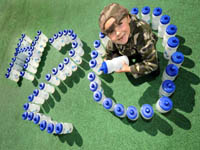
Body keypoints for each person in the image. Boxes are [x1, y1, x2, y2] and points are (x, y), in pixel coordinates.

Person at [99, 3, 159, 79]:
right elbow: (110, 48)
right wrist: (108, 59)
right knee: (115, 54)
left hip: (142, 47)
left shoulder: (143, 35)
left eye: (120, 24)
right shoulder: (117, 37)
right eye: (111, 31)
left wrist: (129, 69)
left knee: (154, 72)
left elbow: (152, 64)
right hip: (128, 48)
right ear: (108, 36)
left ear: (128, 18)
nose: (118, 33)